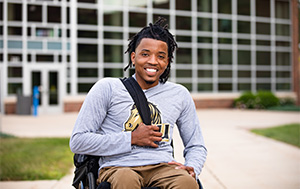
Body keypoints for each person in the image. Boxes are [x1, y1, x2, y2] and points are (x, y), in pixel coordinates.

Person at [70, 17, 207, 189]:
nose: (152, 61)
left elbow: (196, 144)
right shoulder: (108, 88)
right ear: (133, 57)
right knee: (126, 180)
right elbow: (78, 141)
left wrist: (193, 166)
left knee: (187, 182)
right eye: (145, 54)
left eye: (161, 56)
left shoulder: (179, 94)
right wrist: (132, 138)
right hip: (119, 166)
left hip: (162, 166)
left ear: (167, 62)